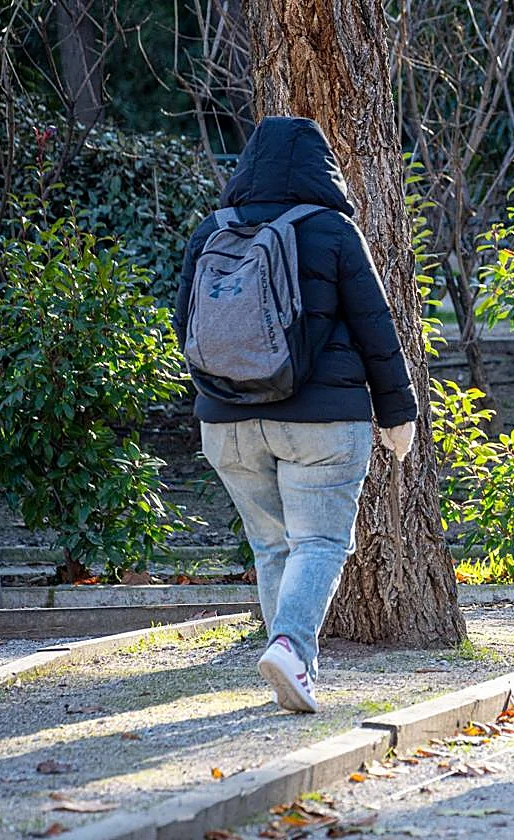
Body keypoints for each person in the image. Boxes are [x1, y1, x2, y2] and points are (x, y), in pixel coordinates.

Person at [174, 116, 418, 713]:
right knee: (321, 541)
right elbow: (375, 328)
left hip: (225, 423)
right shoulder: (332, 229)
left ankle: (293, 664)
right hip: (322, 422)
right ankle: (289, 645)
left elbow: (186, 325)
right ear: (321, 168)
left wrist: (219, 396)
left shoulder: (212, 230)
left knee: (272, 547)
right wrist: (398, 411)